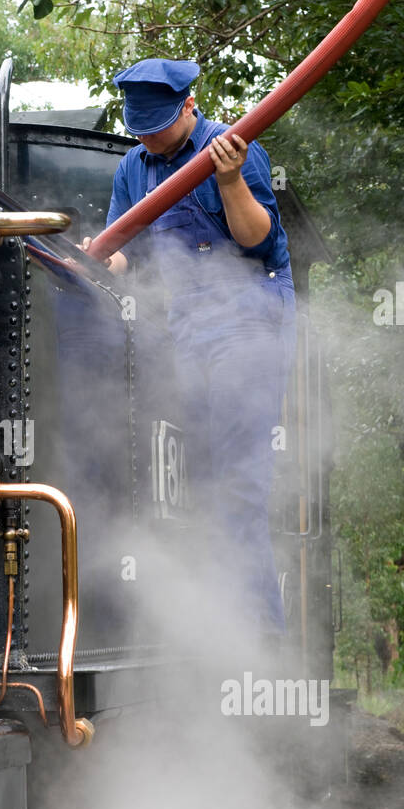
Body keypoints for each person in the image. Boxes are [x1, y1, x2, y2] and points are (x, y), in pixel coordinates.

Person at [92, 58, 298, 645]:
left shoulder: (233, 149)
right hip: (189, 327)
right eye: (139, 129)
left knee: (238, 488)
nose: (148, 138)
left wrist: (230, 182)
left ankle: (262, 646)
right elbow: (126, 254)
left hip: (248, 319)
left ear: (188, 105)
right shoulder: (134, 167)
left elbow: (258, 243)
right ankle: (215, 633)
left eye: (157, 125)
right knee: (203, 489)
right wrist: (100, 259)